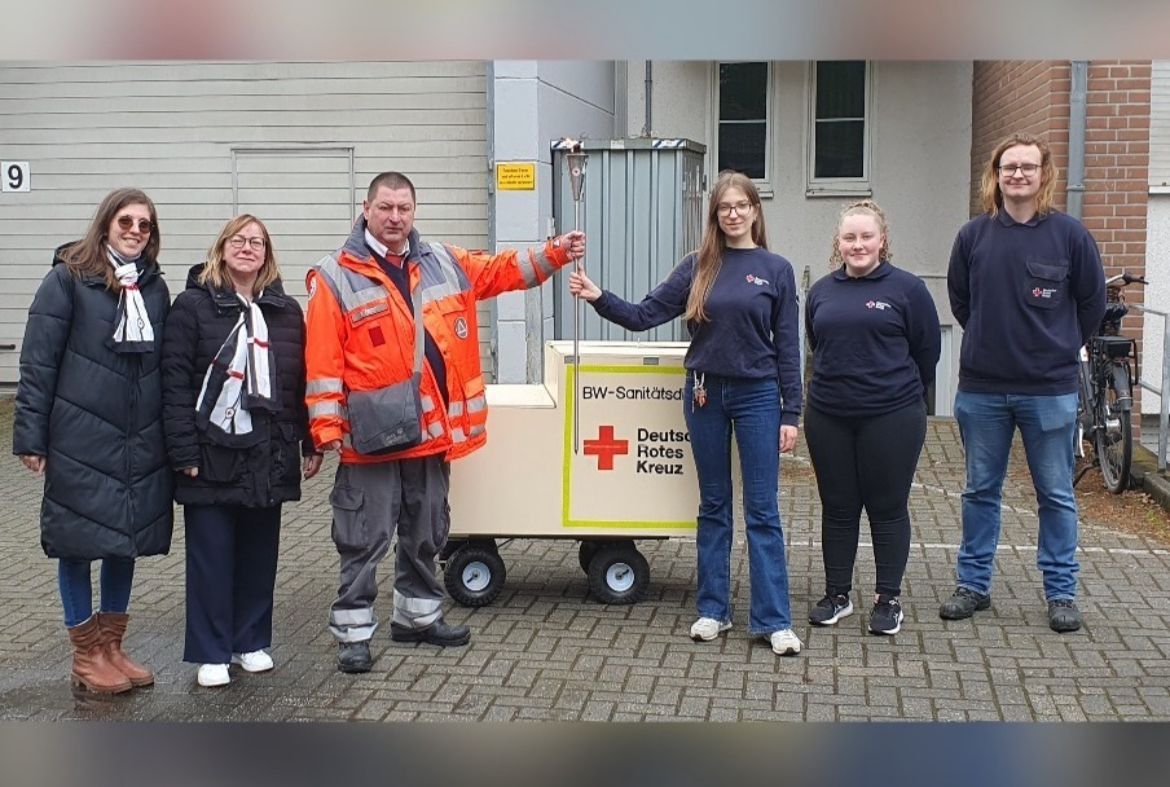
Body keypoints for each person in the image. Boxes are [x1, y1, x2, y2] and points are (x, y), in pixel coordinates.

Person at [305, 171, 585, 673]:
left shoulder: (444, 261)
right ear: (365, 208)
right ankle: (353, 633)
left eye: (404, 209)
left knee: (426, 532)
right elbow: (322, 360)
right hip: (369, 440)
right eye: (385, 208)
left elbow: (504, 270)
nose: (395, 218)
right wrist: (325, 433)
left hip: (429, 438)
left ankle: (418, 619)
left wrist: (558, 251)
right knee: (364, 537)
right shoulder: (334, 274)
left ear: (414, 211)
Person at [569, 170, 803, 656]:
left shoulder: (776, 269)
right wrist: (598, 297)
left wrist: (791, 412)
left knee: (762, 509)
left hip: (759, 395)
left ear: (756, 210)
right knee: (714, 506)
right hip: (704, 394)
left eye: (742, 205)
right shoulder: (698, 266)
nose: (733, 214)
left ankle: (773, 620)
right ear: (715, 215)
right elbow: (642, 315)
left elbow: (788, 348)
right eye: (724, 207)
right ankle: (713, 610)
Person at [944, 132, 1106, 633]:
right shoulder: (972, 237)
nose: (1017, 175)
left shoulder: (1070, 236)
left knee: (1056, 493)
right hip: (982, 389)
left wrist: (1056, 348)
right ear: (995, 175)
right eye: (1008, 167)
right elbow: (961, 302)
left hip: (1049, 390)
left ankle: (1061, 593)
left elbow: (1091, 304)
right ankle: (974, 586)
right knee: (979, 491)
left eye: (1027, 167)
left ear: (1043, 174)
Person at [13, 188, 172, 694]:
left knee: (124, 541)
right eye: (126, 221)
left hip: (137, 438)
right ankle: (85, 655)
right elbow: (37, 365)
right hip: (78, 436)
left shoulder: (153, 288)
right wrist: (30, 438)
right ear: (105, 223)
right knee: (78, 544)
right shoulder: (66, 281)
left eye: (144, 225)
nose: (134, 231)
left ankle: (112, 647)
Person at [161, 215, 323, 688]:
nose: (247, 248)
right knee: (212, 557)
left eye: (257, 242)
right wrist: (182, 450)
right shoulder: (192, 307)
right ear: (221, 248)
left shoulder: (286, 311)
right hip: (209, 452)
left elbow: (299, 384)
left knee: (259, 554)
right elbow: (173, 385)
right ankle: (211, 652)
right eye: (239, 240)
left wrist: (311, 440)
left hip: (268, 451)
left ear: (267, 254)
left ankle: (249, 641)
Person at [803, 200, 940, 636]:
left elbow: (927, 353)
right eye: (849, 237)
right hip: (829, 415)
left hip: (892, 416)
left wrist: (901, 396)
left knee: (886, 507)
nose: (858, 245)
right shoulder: (821, 291)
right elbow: (815, 343)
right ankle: (837, 594)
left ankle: (888, 598)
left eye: (866, 236)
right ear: (838, 243)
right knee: (839, 508)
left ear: (882, 240)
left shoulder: (908, 290)